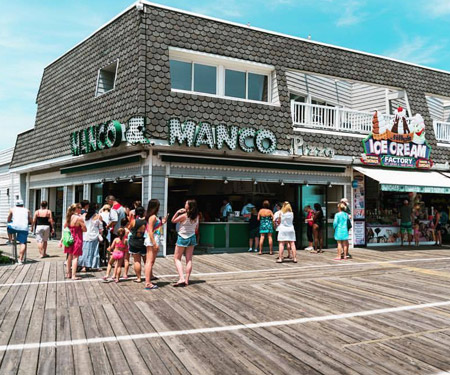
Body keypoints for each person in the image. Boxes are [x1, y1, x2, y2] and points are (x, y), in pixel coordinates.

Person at [171, 199, 199, 287]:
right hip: (192, 237)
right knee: (189, 259)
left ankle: (181, 278)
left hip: (182, 237)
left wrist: (177, 212)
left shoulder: (184, 215)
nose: (185, 204)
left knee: (177, 258)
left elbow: (173, 220)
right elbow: (196, 228)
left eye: (186, 203)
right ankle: (186, 280)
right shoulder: (197, 216)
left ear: (189, 206)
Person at [144, 199, 168, 290]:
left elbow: (154, 227)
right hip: (152, 240)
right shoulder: (153, 217)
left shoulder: (152, 216)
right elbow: (150, 230)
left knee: (151, 261)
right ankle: (148, 282)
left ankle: (149, 279)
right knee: (149, 261)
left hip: (152, 239)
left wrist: (162, 222)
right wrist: (154, 243)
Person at [64, 203, 86, 280]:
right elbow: (84, 229)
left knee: (69, 256)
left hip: (69, 238)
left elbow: (65, 226)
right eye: (80, 208)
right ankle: (73, 275)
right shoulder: (79, 219)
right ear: (77, 209)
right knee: (75, 257)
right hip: (77, 238)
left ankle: (68, 274)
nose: (81, 209)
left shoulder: (69, 217)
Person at [78, 203, 103, 272]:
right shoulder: (98, 216)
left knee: (85, 251)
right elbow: (101, 228)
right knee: (94, 251)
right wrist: (101, 235)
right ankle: (93, 265)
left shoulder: (84, 215)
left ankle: (83, 266)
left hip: (85, 235)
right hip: (94, 235)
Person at [7, 200, 32, 265]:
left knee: (8, 227)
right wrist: (31, 225)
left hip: (14, 226)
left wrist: (9, 221)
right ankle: (20, 260)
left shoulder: (12, 209)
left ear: (16, 204)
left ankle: (10, 240)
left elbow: (8, 219)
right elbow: (30, 219)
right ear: (23, 204)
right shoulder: (27, 210)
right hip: (24, 227)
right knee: (23, 243)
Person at [128, 206, 147, 283]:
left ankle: (138, 278)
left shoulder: (134, 221)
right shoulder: (147, 221)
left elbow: (129, 228)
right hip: (144, 241)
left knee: (137, 261)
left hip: (134, 241)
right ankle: (148, 276)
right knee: (146, 261)